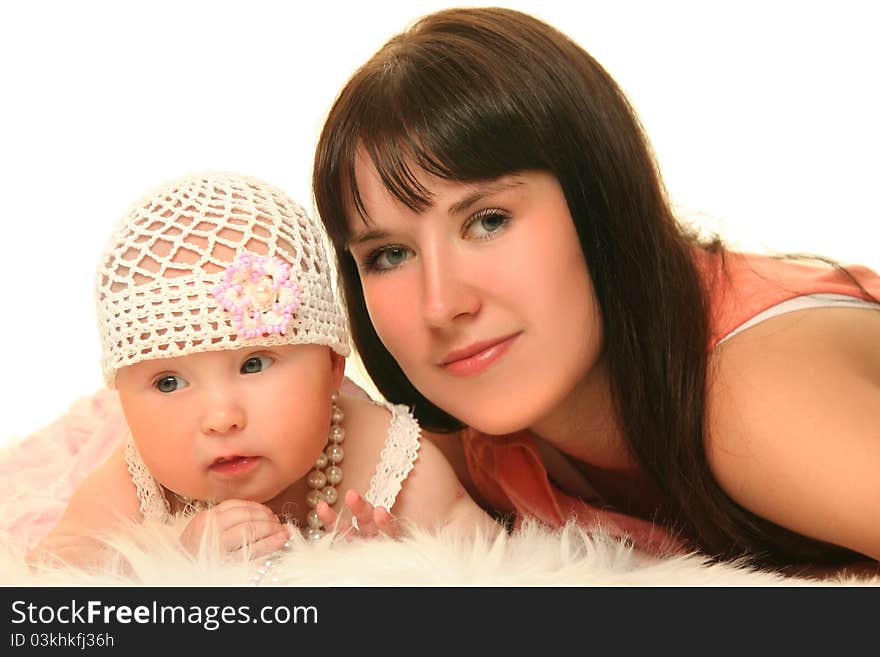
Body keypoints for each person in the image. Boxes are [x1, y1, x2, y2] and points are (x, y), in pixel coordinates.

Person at [311, 7, 880, 572]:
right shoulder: (458, 446)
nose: (441, 305)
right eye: (390, 255)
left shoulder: (752, 400)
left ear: (598, 200)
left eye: (487, 221)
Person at [28, 171, 494, 570]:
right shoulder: (138, 480)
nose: (221, 417)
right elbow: (50, 576)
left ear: (333, 367)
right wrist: (172, 555)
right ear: (124, 402)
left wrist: (404, 562)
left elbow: (501, 563)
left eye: (253, 364)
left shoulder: (386, 457)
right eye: (168, 382)